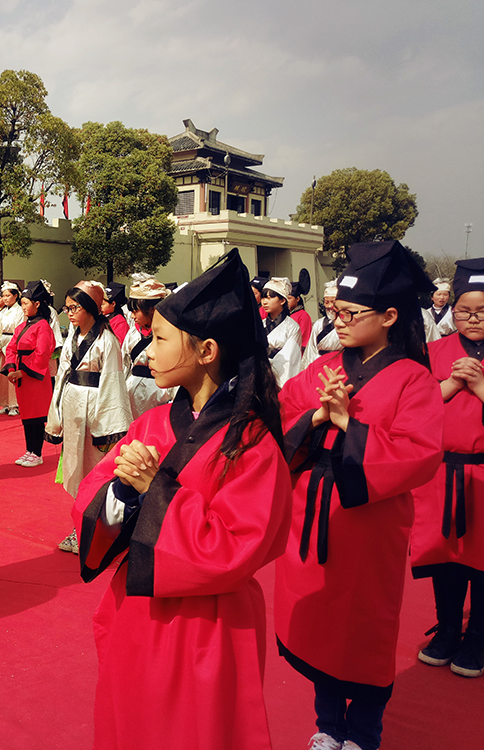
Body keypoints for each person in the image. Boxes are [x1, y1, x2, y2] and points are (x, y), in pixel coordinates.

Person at [74, 246, 292, 750]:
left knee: (195, 733)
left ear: (207, 350)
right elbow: (93, 498)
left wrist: (157, 490)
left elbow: (236, 549)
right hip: (136, 611)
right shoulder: (152, 422)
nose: (147, 350)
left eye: (160, 339)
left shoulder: (252, 444)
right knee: (131, 725)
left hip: (207, 628)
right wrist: (122, 491)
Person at [276, 240, 444, 750]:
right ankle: (328, 725)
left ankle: (364, 733)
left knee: (365, 628)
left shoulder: (413, 378)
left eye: (350, 312)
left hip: (369, 523)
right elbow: (284, 412)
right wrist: (315, 417)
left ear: (391, 315)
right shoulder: (325, 366)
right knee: (319, 620)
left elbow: (419, 452)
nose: (339, 321)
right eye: (334, 311)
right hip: (313, 510)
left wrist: (350, 422)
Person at [410, 258, 484, 678]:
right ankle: (449, 629)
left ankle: (477, 638)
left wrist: (479, 386)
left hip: (483, 471)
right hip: (443, 472)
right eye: (464, 311)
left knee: (482, 561)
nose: (472, 319)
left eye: (482, 311)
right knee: (447, 558)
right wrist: (452, 385)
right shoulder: (434, 352)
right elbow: (414, 411)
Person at [46, 281, 132, 554]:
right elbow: (61, 375)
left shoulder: (107, 340)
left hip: (95, 409)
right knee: (76, 467)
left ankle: (95, 530)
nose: (69, 313)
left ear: (92, 309)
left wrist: (109, 426)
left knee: (96, 471)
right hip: (72, 404)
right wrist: (56, 414)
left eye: (75, 308)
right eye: (67, 308)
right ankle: (79, 524)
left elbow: (112, 382)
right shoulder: (72, 336)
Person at [2, 280, 56, 468]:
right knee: (26, 415)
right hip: (22, 375)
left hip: (34, 377)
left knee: (36, 416)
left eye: (25, 303)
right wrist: (10, 369)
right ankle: (29, 450)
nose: (22, 307)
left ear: (37, 304)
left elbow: (42, 354)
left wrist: (21, 372)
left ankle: (37, 452)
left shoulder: (43, 327)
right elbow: (11, 348)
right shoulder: (23, 326)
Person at [121, 274, 175, 419]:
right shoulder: (133, 332)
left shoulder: (171, 333)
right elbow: (124, 363)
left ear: (152, 310)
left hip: (159, 393)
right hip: (131, 391)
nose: (132, 316)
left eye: (135, 311)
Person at [260, 277, 302, 387]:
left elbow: (290, 359)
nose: (264, 302)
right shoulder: (261, 323)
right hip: (259, 372)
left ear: (282, 300)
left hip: (280, 377)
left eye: (269, 298)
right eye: (263, 297)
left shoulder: (292, 327)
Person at [0, 281, 24, 416]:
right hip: (2, 342)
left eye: (8, 295)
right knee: (1, 374)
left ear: (16, 296)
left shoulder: (20, 311)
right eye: (3, 296)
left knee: (11, 372)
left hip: (13, 343)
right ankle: (4, 402)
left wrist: (8, 346)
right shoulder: (2, 312)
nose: (5, 298)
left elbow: (19, 329)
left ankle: (14, 404)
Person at [303, 280, 344, 368]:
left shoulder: (346, 323)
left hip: (341, 363)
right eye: (326, 302)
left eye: (332, 302)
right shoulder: (318, 324)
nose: (329, 306)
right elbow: (311, 349)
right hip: (319, 364)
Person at [289, 281, 313, 353]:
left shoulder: (303, 316)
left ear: (297, 299)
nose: (287, 301)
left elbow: (304, 339)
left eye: (289, 298)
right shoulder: (285, 315)